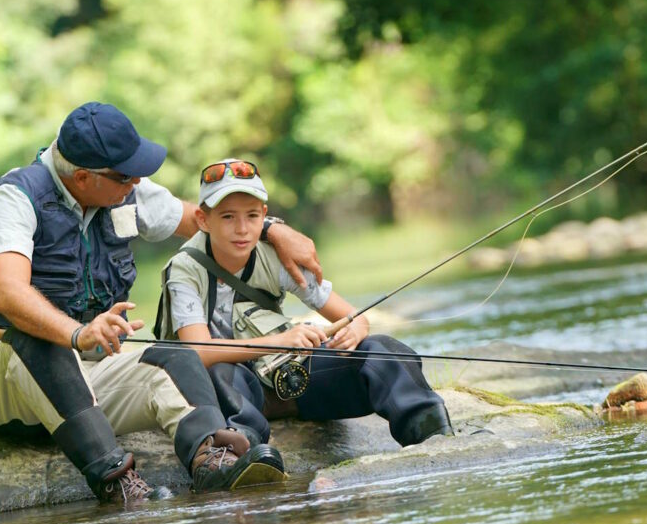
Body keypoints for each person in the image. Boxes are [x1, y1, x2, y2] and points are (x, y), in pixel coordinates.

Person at [0, 104, 321, 502]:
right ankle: (117, 481)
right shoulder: (15, 199)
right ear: (82, 176)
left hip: (97, 378)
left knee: (174, 354)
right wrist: (78, 333)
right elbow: (9, 295)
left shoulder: (125, 191)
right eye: (125, 174)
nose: (137, 180)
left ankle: (211, 460)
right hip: (14, 386)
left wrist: (274, 230)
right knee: (39, 341)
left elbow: (201, 220)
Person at [155, 158, 453, 449]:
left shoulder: (275, 255)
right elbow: (199, 352)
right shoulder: (183, 268)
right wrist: (281, 341)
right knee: (220, 373)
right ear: (203, 220)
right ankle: (246, 452)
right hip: (229, 389)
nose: (243, 229)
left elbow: (353, 316)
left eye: (252, 216)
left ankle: (431, 433)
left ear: (265, 215)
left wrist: (356, 330)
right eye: (228, 217)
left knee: (383, 349)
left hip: (287, 381)